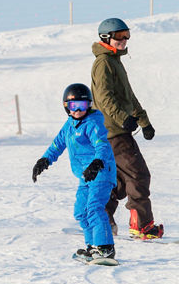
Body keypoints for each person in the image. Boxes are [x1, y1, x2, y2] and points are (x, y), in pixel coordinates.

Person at [90, 17, 163, 239]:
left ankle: (101, 217)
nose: (124, 40)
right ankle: (141, 225)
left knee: (120, 181)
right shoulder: (103, 63)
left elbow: (128, 95)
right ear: (106, 37)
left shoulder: (114, 61)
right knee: (138, 175)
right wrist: (123, 119)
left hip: (114, 130)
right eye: (119, 36)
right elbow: (104, 98)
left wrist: (144, 121)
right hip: (114, 131)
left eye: (127, 35)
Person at [32, 84, 118, 262]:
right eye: (73, 106)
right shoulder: (69, 125)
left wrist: (97, 161)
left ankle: (105, 248)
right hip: (85, 175)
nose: (78, 110)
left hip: (100, 172)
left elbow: (101, 144)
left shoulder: (93, 123)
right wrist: (45, 160)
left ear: (89, 105)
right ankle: (93, 246)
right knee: (81, 212)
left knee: (94, 207)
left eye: (83, 105)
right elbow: (57, 144)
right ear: (66, 107)